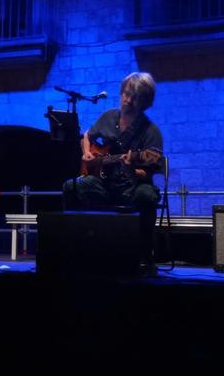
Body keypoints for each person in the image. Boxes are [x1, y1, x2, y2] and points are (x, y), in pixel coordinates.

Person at [62, 72, 164, 272]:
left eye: (134, 97)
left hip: (132, 187)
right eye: (126, 93)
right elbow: (87, 136)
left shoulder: (151, 131)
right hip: (105, 185)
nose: (127, 100)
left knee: (146, 195)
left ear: (144, 101)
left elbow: (149, 170)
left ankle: (145, 254)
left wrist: (132, 168)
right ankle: (76, 248)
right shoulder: (108, 117)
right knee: (71, 187)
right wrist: (86, 153)